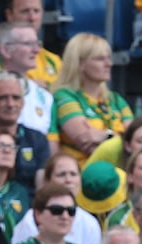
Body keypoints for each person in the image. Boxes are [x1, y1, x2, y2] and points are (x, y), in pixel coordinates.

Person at [50, 34, 132, 164]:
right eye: (100, 59)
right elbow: (86, 143)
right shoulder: (64, 96)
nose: (109, 64)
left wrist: (105, 135)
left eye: (108, 58)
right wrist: (119, 138)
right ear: (80, 64)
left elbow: (135, 141)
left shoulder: (116, 99)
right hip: (81, 174)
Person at [0, 26, 53, 142]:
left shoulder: (45, 97)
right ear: (6, 50)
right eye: (28, 44)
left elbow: (52, 145)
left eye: (37, 43)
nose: (37, 50)